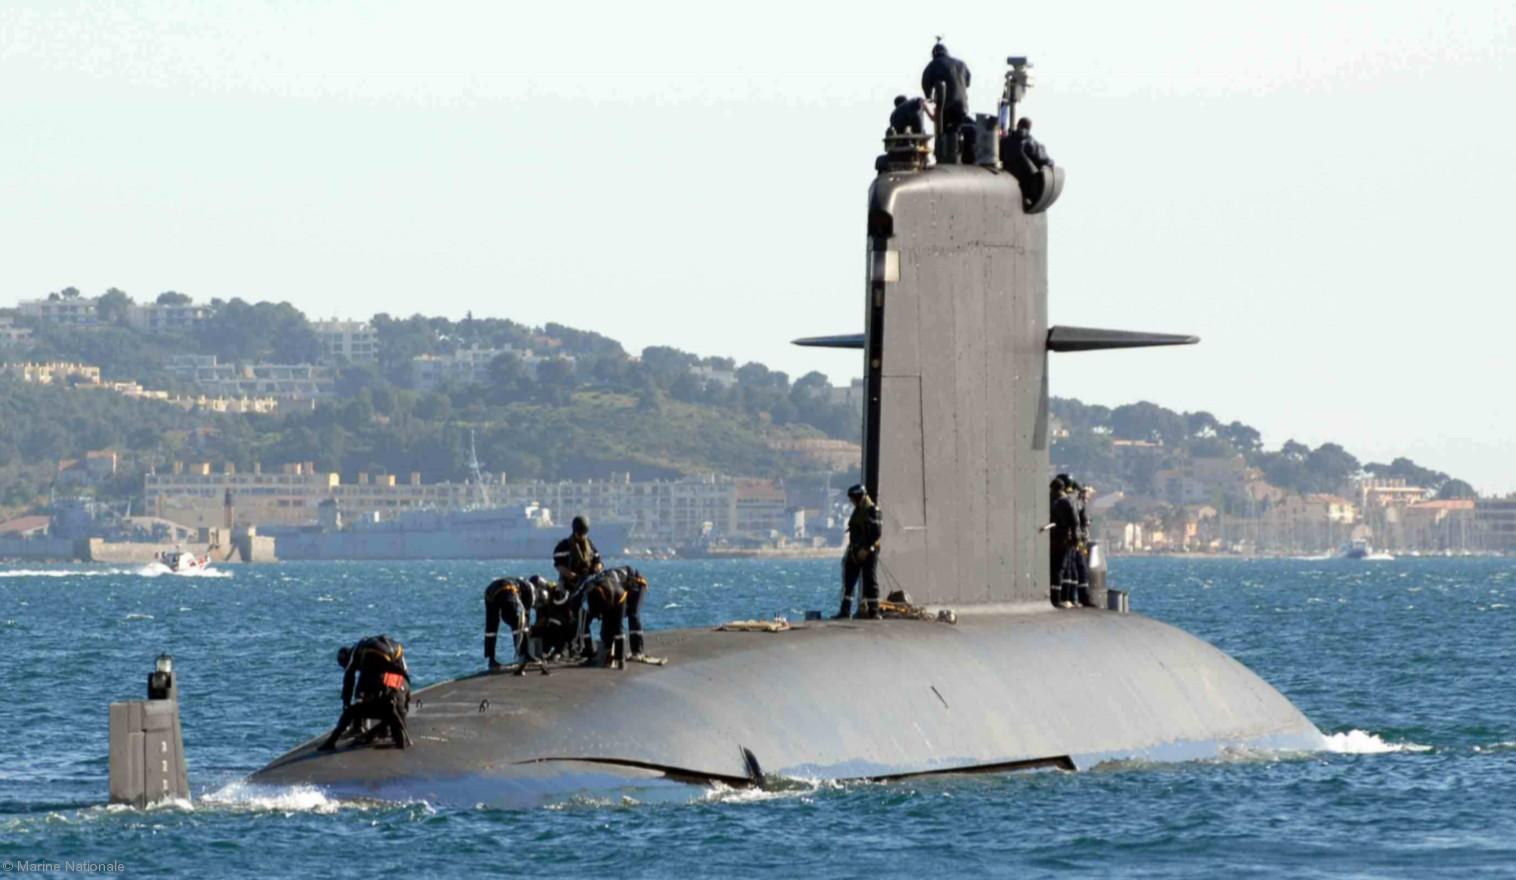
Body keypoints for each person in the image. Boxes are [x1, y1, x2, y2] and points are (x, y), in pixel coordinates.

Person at [318, 634, 411, 751]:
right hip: (396, 649)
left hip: (376, 650)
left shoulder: (354, 653)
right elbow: (405, 677)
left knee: (363, 692)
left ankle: (357, 727)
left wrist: (346, 703)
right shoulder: (366, 650)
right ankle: (386, 729)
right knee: (396, 685)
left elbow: (349, 679)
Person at [835, 484, 883, 619]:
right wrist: (854, 550)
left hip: (869, 551)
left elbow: (876, 533)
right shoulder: (858, 511)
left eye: (853, 498)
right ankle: (845, 611)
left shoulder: (873, 510)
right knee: (849, 581)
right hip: (855, 551)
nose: (851, 501)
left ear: (859, 497)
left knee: (870, 580)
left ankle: (874, 611)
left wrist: (866, 549)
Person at [484, 575, 548, 670]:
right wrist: (527, 629)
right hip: (507, 589)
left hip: (490, 591)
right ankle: (525, 655)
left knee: (491, 627)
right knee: (519, 623)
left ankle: (491, 660)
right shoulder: (530, 589)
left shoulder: (522, 584)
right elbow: (525, 615)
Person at [920, 42, 971, 135]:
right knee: (958, 131)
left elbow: (925, 83)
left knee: (944, 134)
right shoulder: (961, 64)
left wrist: (929, 96)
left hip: (946, 107)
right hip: (962, 106)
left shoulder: (933, 65)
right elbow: (968, 82)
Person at [1049, 476, 1081, 608]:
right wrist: (1076, 540)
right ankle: (1060, 598)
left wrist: (1075, 539)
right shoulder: (1067, 502)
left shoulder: (1054, 502)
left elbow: (1074, 522)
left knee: (1058, 568)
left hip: (1058, 539)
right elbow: (1075, 522)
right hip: (1062, 540)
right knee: (1060, 568)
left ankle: (1057, 598)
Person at [552, 516, 603, 593]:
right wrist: (575, 577)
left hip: (589, 581)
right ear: (575, 531)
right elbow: (559, 566)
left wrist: (594, 570)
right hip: (569, 582)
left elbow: (598, 561)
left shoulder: (590, 545)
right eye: (580, 533)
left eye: (584, 533)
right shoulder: (563, 546)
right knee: (561, 594)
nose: (582, 536)